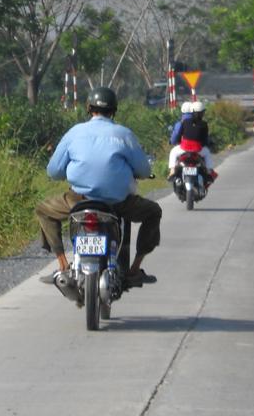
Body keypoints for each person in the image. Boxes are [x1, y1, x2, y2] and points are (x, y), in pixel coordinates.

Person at [36, 86, 161, 286]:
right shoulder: (124, 134)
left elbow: (54, 171)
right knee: (153, 211)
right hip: (118, 202)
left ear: (88, 108)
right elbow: (144, 170)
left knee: (43, 210)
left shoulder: (75, 133)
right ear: (114, 110)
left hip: (79, 200)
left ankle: (62, 264)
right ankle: (134, 269)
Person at [168, 100, 216, 181]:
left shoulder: (184, 122)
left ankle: (172, 171)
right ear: (202, 113)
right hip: (197, 149)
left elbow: (179, 135)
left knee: (173, 152)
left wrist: (177, 141)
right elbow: (204, 139)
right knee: (207, 153)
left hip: (184, 148)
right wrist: (206, 144)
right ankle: (208, 172)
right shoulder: (204, 124)